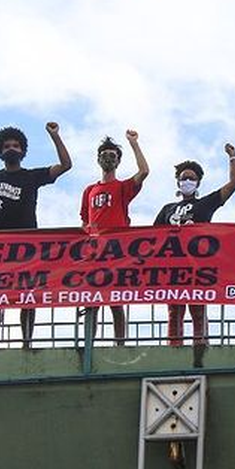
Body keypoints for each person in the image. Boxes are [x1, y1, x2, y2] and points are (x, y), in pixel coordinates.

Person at [0, 123, 72, 349]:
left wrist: (54, 135)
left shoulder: (32, 176)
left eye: (16, 145)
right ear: (0, 150)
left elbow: (66, 165)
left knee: (28, 295)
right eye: (7, 146)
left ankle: (27, 341)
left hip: (29, 244)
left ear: (23, 150)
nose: (12, 149)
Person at [153, 143, 235, 346]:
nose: (187, 181)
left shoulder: (205, 203)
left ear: (198, 182)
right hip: (172, 267)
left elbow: (234, 183)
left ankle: (200, 349)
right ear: (177, 182)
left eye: (192, 178)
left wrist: (233, 157)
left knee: (198, 309)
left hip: (198, 265)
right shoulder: (168, 209)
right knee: (174, 311)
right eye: (184, 178)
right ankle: (173, 349)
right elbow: (152, 236)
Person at [79, 130, 149, 346]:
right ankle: (89, 342)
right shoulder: (89, 190)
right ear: (98, 159)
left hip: (116, 252)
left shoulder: (122, 188)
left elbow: (144, 171)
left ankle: (120, 343)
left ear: (118, 160)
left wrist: (133, 143)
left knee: (115, 299)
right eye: (104, 154)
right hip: (93, 253)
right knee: (91, 299)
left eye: (113, 155)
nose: (108, 158)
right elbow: (84, 220)